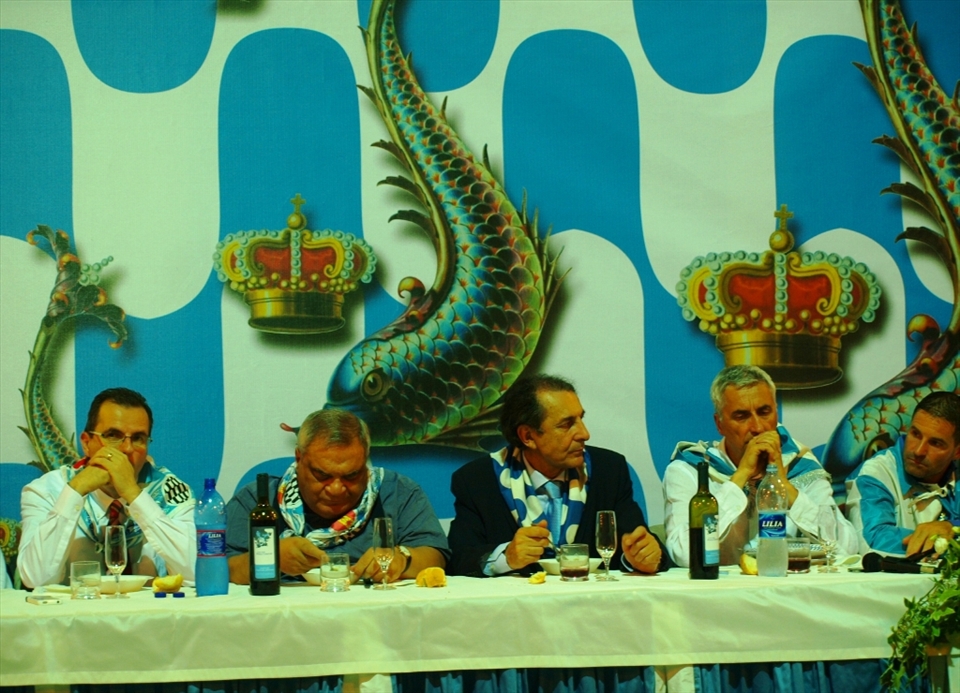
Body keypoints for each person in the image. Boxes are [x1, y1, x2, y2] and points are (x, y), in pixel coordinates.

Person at [447, 374, 669, 577]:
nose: (584, 433)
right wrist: (506, 557)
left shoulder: (609, 470)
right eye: (567, 425)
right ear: (527, 436)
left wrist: (645, 556)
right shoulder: (476, 480)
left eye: (581, 419)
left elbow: (637, 542)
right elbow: (459, 559)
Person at [663, 365, 857, 567]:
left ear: (776, 412)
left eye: (764, 412)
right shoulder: (691, 471)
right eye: (741, 416)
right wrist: (739, 478)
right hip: (718, 594)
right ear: (719, 424)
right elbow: (684, 553)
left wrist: (785, 488)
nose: (757, 427)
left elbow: (845, 548)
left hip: (786, 592)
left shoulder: (801, 465)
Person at [225, 408, 448, 584]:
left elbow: (436, 556)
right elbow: (223, 567)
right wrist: (270, 558)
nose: (336, 489)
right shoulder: (258, 501)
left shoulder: (398, 493)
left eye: (352, 475)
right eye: (322, 475)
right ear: (299, 457)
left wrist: (402, 559)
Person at [18, 388, 196, 588]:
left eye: (138, 438)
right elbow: (35, 579)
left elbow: (195, 574)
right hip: (75, 614)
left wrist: (133, 494)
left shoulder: (170, 491)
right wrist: (75, 491)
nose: (127, 449)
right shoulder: (47, 490)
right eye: (113, 435)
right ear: (86, 443)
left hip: (148, 614)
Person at [846, 391, 960, 557]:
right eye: (915, 434)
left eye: (935, 443)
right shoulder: (875, 473)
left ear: (957, 452)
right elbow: (874, 540)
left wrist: (952, 528)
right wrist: (940, 541)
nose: (919, 451)